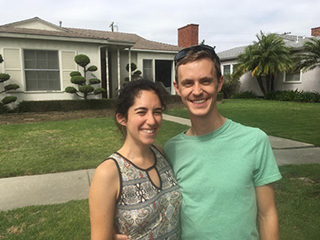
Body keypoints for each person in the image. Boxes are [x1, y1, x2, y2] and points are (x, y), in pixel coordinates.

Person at [164, 44, 282, 240]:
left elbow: (267, 214)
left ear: (219, 83)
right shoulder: (172, 149)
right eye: (188, 83)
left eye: (205, 81)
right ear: (177, 88)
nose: (197, 90)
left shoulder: (254, 141)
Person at [89, 79, 181, 240]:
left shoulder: (161, 154)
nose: (152, 121)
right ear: (122, 118)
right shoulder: (108, 173)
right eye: (141, 112)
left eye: (157, 111)